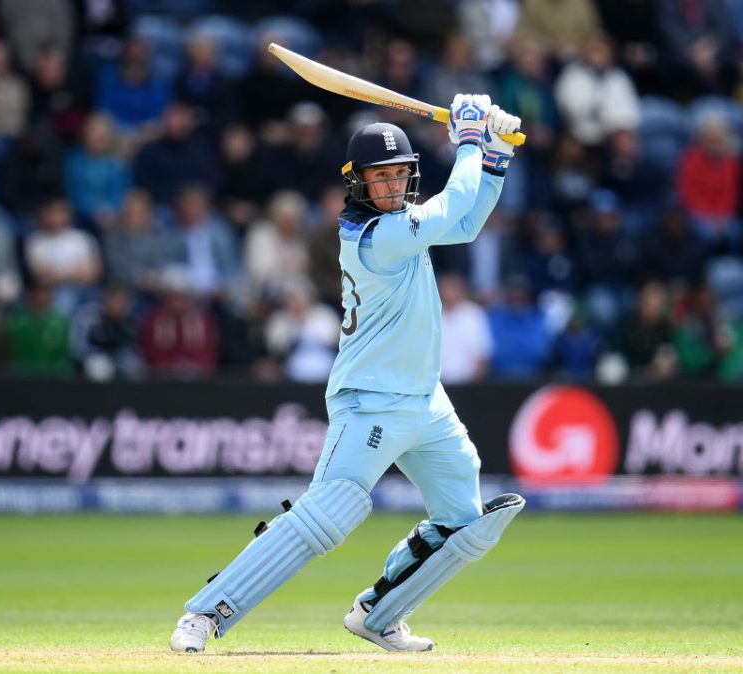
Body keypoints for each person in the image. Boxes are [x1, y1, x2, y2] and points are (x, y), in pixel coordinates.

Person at [170, 95, 526, 653]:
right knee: (329, 513)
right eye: (377, 177)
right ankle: (206, 613)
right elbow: (449, 205)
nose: (388, 186)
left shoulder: (408, 227)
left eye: (399, 175)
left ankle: (378, 615)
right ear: (357, 182)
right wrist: (470, 139)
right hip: (371, 402)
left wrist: (497, 153)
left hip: (426, 402)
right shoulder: (374, 238)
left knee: (465, 522)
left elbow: (467, 219)